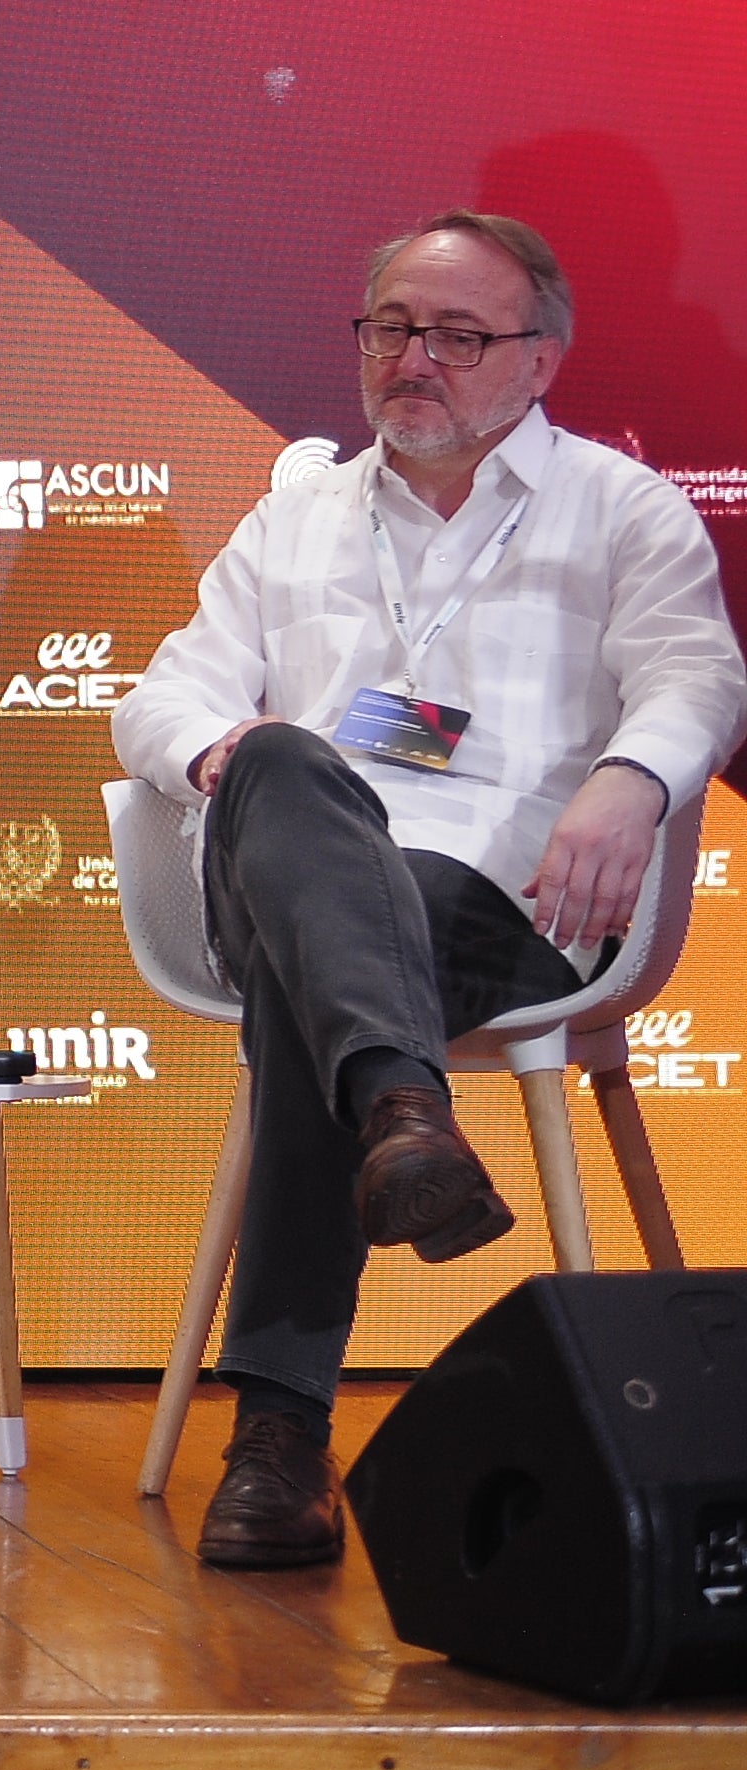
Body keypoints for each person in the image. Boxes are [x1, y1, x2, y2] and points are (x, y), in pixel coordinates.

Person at [116, 211, 742, 1570]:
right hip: (299, 870)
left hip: (516, 909)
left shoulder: (621, 509)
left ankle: (279, 1444)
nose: (418, 359)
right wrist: (214, 749)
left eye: (461, 336)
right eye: (394, 327)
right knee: (280, 760)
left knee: (310, 990)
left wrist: (633, 779)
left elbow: (699, 674)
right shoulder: (297, 519)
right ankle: (403, 1111)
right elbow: (162, 694)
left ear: (540, 360)